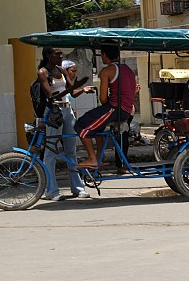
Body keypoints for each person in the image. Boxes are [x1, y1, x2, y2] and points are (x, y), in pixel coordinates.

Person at [39, 48, 94, 201]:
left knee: (71, 150)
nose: (61, 56)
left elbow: (72, 92)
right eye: (57, 54)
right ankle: (51, 191)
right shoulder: (43, 72)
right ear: (49, 55)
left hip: (67, 110)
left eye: (61, 54)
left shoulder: (61, 70)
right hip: (53, 113)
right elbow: (50, 95)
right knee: (50, 153)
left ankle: (77, 188)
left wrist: (83, 89)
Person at [74, 45, 136, 169]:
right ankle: (100, 156)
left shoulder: (107, 71)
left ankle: (92, 158)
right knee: (98, 127)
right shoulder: (128, 69)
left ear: (103, 54)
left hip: (115, 108)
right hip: (128, 109)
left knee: (81, 125)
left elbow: (103, 99)